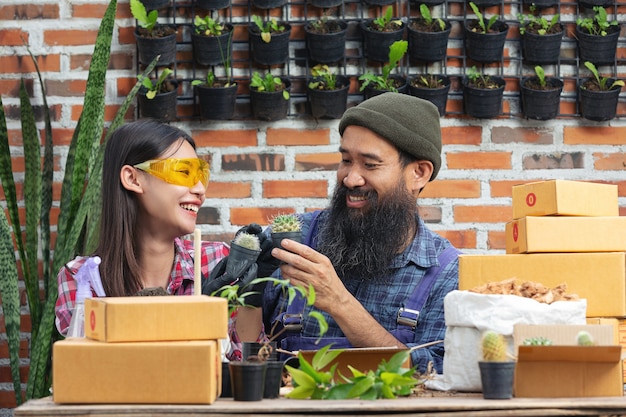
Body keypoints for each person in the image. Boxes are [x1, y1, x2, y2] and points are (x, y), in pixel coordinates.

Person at [231, 93, 460, 373]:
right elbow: (238, 355)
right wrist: (243, 296)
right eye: (346, 160)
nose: (351, 178)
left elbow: (439, 376)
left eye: (370, 164)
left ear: (419, 173)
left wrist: (340, 303)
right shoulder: (292, 239)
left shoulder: (447, 273)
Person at [55, 119, 270, 336]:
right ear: (133, 179)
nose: (199, 190)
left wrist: (252, 299)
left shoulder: (215, 261)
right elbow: (91, 365)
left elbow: (244, 362)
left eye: (200, 176)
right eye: (183, 173)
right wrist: (197, 318)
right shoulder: (83, 277)